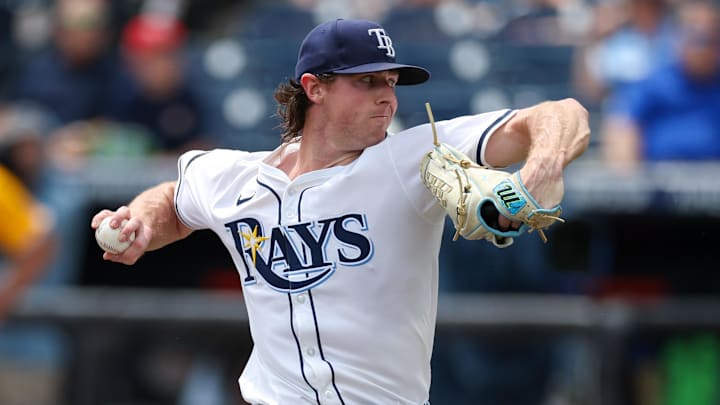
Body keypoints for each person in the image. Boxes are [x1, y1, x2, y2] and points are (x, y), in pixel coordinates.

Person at [90, 18, 590, 404]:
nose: (388, 99)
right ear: (315, 88)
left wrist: (542, 164)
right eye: (368, 82)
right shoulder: (235, 177)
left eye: (392, 82)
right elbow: (175, 202)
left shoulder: (412, 160)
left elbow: (561, 114)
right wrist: (138, 223)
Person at [601, 0, 720, 170]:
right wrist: (628, 183)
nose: (704, 47)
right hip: (660, 188)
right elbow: (621, 126)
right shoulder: (654, 84)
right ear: (678, 39)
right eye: (697, 38)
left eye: (712, 38)